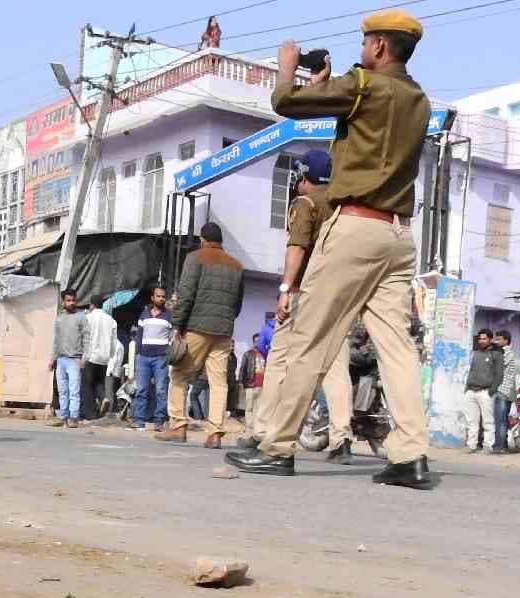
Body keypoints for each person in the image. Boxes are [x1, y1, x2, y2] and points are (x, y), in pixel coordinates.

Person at [226, 11, 433, 488]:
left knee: (309, 336)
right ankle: (410, 456)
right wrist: (326, 84)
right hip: (399, 236)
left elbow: (285, 101)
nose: (361, 51)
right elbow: (362, 127)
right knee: (396, 347)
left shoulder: (363, 83)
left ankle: (277, 446)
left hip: (356, 228)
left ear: (379, 46)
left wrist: (288, 66)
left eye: (365, 43)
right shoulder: (418, 99)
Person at [236, 148, 354, 465]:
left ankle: (262, 433)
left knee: (279, 361)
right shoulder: (343, 207)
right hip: (341, 295)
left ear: (303, 176)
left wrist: (285, 289)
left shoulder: (305, 203)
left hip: (306, 292)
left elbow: (297, 248)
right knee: (335, 367)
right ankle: (342, 438)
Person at [156, 221, 244, 449]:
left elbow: (186, 294)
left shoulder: (195, 258)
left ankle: (178, 426)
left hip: (196, 327)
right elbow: (237, 304)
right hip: (223, 331)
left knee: (179, 375)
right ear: (221, 241)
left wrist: (177, 325)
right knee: (218, 383)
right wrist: (226, 320)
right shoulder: (236, 265)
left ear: (203, 240)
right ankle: (215, 434)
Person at [130, 285, 172, 431]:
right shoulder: (144, 314)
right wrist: (137, 355)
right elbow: (139, 336)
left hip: (161, 358)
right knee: (141, 390)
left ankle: (159, 421)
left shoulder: (169, 316)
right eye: (158, 296)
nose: (161, 299)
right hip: (143, 358)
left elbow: (173, 338)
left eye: (163, 296)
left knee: (161, 391)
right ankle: (139, 421)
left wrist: (168, 356)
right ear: (153, 298)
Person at [48, 288, 89, 428]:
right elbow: (56, 340)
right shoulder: (59, 318)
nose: (71, 303)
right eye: (68, 300)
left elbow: (87, 338)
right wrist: (52, 359)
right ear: (63, 301)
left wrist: (85, 357)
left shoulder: (81, 317)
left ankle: (74, 418)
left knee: (74, 391)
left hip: (75, 360)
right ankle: (63, 417)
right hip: (61, 359)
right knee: (62, 391)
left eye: (73, 300)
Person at [463, 329, 503, 453]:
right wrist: (467, 388)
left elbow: (499, 374)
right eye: (480, 339)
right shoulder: (476, 353)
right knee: (472, 421)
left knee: (487, 421)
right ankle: (471, 445)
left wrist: (492, 390)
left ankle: (488, 446)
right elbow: (472, 370)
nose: (481, 341)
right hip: (471, 390)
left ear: (490, 339)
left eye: (484, 339)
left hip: (485, 392)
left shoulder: (496, 354)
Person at [82, 295, 118, 420]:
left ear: (91, 305)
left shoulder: (88, 318)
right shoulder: (111, 320)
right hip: (104, 358)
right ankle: (103, 398)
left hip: (90, 356)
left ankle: (90, 414)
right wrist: (111, 355)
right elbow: (114, 342)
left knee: (87, 385)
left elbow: (84, 338)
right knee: (98, 382)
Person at [492, 328, 517, 453]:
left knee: (500, 420)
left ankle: (499, 446)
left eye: (498, 339)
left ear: (506, 341)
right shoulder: (502, 352)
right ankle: (503, 445)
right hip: (503, 390)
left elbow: (496, 366)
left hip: (504, 390)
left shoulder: (507, 353)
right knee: (502, 419)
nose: (496, 341)